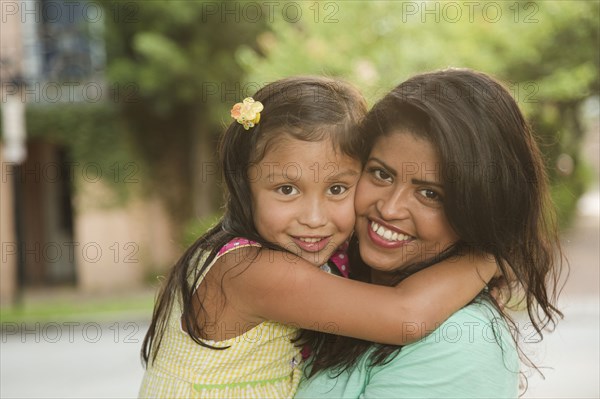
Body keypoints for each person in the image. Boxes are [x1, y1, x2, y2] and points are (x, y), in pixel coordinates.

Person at [138, 76, 497, 398]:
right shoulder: (253, 270)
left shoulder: (271, 254)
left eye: (338, 188)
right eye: (286, 189)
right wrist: (489, 257)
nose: (314, 218)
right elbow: (405, 315)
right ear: (245, 188)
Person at [295, 68, 564, 398]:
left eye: (430, 194)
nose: (391, 209)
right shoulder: (329, 278)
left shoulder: (462, 341)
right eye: (381, 173)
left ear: (477, 210)